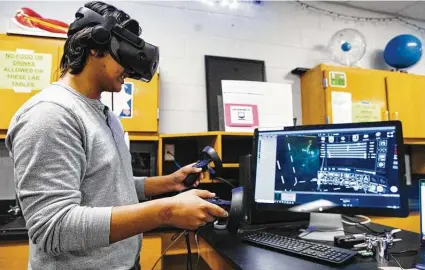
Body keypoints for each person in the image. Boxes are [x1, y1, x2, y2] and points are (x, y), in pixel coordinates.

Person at [5, 1, 228, 269]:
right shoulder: (51, 114)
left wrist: (167, 183)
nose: (131, 70)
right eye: (123, 55)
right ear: (95, 47)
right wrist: (167, 211)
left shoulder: (106, 115)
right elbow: (53, 227)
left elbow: (105, 186)